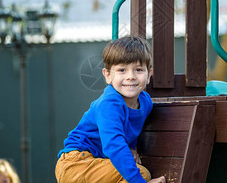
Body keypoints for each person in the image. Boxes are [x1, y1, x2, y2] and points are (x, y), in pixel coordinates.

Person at [55, 36, 165, 183]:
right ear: (107, 75)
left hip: (98, 163)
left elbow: (130, 129)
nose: (131, 77)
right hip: (76, 163)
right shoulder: (109, 104)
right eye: (122, 70)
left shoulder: (145, 103)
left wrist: (132, 149)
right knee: (140, 175)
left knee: (136, 172)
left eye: (138, 70)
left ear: (149, 74)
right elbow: (114, 144)